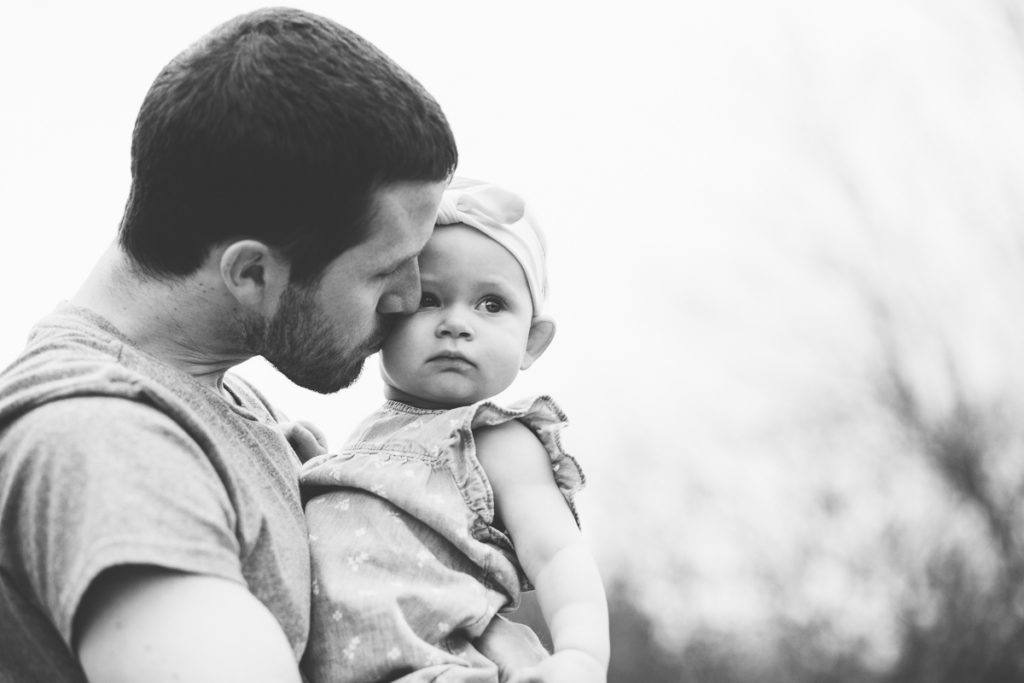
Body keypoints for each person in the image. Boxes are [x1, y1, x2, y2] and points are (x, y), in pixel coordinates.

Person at [0, 8, 461, 682]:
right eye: (385, 270)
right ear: (251, 273)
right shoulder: (104, 446)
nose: (411, 298)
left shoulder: (216, 398)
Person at [300, 178, 610, 683]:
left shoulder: (495, 439)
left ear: (531, 341)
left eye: (491, 304)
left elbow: (558, 556)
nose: (457, 324)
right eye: (429, 299)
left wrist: (581, 656)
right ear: (381, 314)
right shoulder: (364, 443)